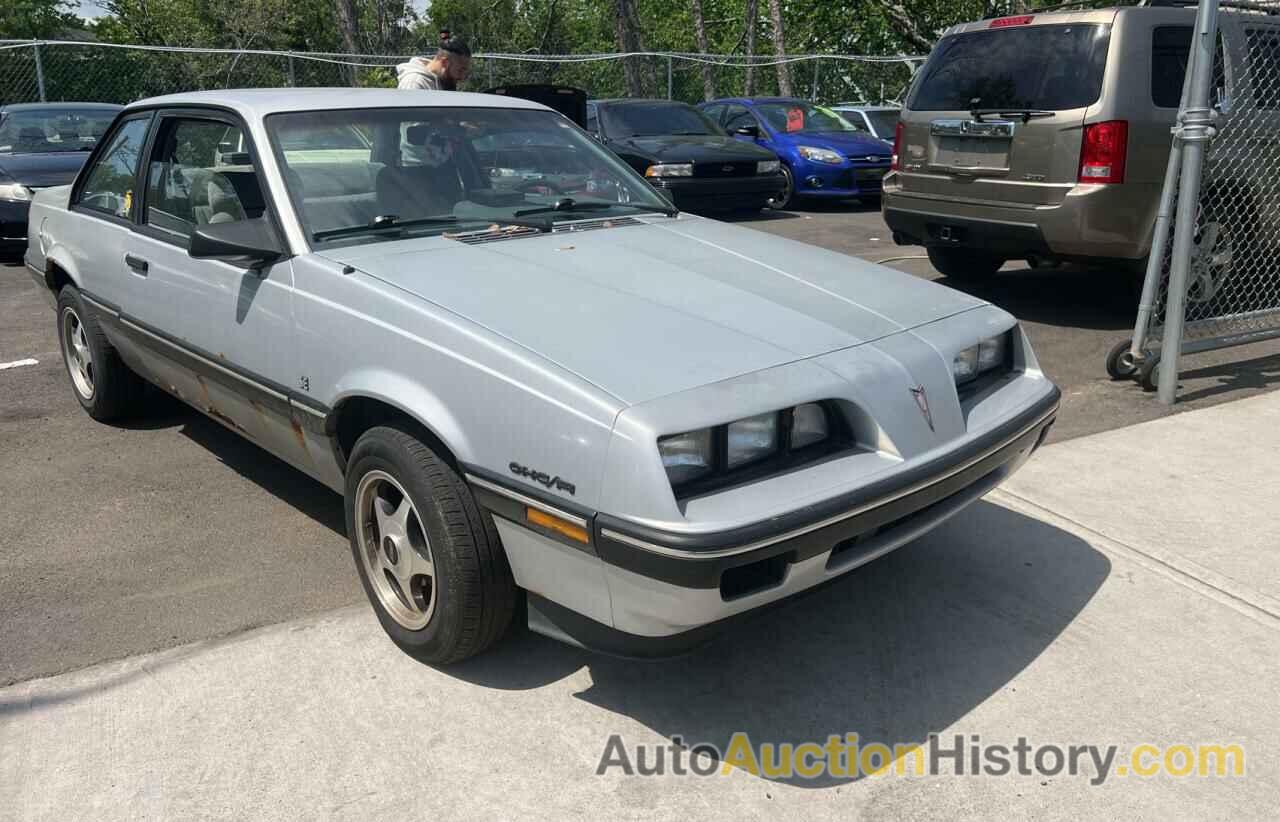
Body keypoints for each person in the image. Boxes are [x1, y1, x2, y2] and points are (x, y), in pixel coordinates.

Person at [396, 36, 472, 91]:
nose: (462, 77)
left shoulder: (443, 82)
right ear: (445, 63)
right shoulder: (414, 84)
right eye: (460, 70)